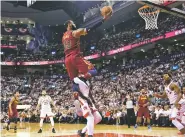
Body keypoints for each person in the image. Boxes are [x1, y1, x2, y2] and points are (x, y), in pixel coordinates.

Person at [62, 10, 112, 106]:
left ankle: (80, 99)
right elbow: (89, 29)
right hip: (75, 57)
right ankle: (83, 78)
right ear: (69, 24)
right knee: (93, 70)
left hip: (67, 59)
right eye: (72, 22)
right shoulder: (74, 32)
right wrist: (103, 20)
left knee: (74, 81)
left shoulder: (63, 36)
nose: (73, 23)